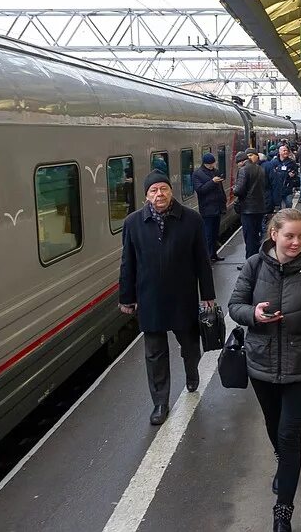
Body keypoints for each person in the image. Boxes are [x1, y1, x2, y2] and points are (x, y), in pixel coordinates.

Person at [228, 209, 301, 532]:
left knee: (289, 435)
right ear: (273, 234)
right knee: (274, 426)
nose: (296, 242)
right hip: (261, 364)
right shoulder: (253, 265)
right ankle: (284, 461)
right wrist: (254, 314)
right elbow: (234, 306)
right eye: (289, 235)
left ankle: (283, 512)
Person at [118, 171, 216, 426]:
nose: (159, 194)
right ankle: (160, 402)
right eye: (153, 190)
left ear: (171, 191)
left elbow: (202, 260)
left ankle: (192, 371)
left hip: (182, 295)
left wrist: (208, 295)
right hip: (149, 297)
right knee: (155, 354)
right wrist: (126, 297)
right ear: (146, 196)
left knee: (190, 344)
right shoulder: (133, 223)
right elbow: (127, 262)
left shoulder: (192, 220)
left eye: (163, 189)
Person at [234, 148, 268, 261]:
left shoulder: (243, 170)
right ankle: (257, 259)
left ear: (241, 162)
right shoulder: (260, 169)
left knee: (249, 238)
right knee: (256, 236)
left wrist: (234, 189)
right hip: (260, 207)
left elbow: (239, 190)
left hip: (248, 209)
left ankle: (250, 263)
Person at [192, 153, 227, 261]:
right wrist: (212, 182)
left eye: (213, 163)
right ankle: (206, 258)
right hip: (207, 209)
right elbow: (200, 190)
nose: (212, 165)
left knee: (215, 233)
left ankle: (213, 254)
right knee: (208, 235)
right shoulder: (197, 174)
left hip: (217, 207)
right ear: (205, 164)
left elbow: (220, 188)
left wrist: (224, 200)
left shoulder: (215, 171)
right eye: (210, 164)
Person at [271, 145, 299, 210]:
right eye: (284, 151)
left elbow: (295, 172)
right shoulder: (274, 162)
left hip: (288, 187)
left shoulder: (291, 162)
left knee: (288, 204)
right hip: (278, 188)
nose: (286, 152)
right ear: (279, 152)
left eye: (287, 151)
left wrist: (293, 174)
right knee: (279, 206)